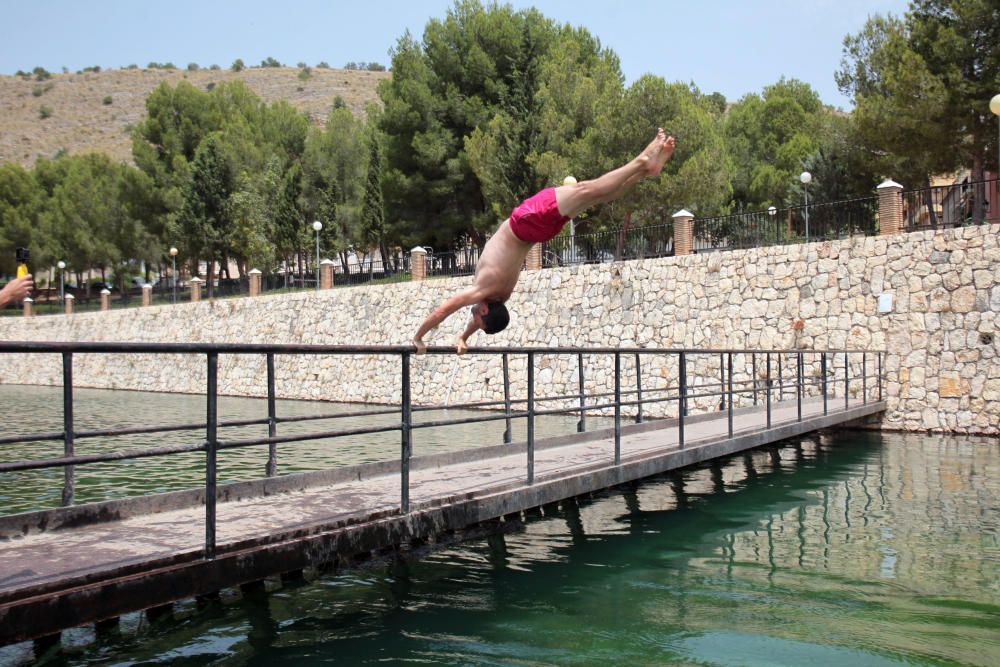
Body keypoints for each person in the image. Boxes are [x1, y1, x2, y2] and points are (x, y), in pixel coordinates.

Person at [413, 129, 675, 354]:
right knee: (589, 190)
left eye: (476, 323)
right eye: (477, 322)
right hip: (528, 222)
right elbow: (446, 311)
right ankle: (641, 164)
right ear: (484, 310)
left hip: (536, 230)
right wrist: (439, 337)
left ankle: (644, 168)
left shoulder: (498, 295)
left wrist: (439, 336)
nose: (473, 319)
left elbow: (453, 313)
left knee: (595, 194)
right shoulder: (484, 292)